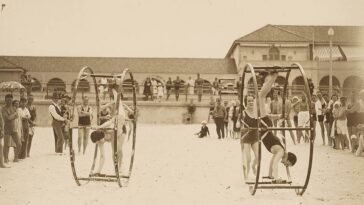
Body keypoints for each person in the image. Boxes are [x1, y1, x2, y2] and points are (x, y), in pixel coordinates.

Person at [240, 71, 297, 181]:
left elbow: (272, 162)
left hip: (264, 129)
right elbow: (275, 163)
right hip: (264, 126)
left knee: (260, 97)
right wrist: (276, 178)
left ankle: (269, 78)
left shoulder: (280, 151)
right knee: (260, 97)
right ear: (288, 159)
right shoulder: (281, 152)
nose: (284, 164)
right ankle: (273, 76)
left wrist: (270, 175)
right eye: (287, 164)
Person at [90, 88, 133, 176]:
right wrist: (98, 171)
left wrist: (99, 126)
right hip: (115, 126)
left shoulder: (107, 130)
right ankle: (116, 167)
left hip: (120, 128)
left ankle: (120, 167)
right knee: (114, 152)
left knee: (118, 149)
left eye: (98, 142)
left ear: (101, 137)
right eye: (97, 143)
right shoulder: (99, 140)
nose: (99, 144)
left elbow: (110, 122)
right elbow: (102, 156)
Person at [2, 94, 22, 162]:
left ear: (12, 100)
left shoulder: (14, 108)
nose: (9, 102)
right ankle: (5, 159)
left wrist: (11, 116)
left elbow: (15, 117)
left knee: (19, 144)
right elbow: (6, 118)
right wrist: (13, 115)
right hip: (7, 129)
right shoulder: (3, 108)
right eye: (7, 100)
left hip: (14, 129)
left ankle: (15, 158)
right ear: (5, 100)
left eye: (10, 100)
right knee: (6, 145)